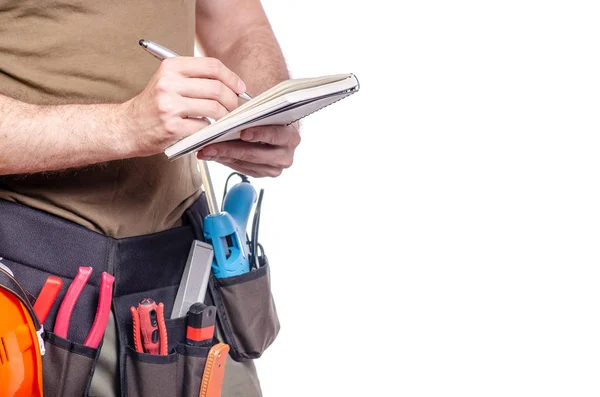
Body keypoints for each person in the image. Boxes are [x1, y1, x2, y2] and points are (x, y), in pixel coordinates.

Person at [0, 0, 300, 396]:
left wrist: (265, 110)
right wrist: (125, 126)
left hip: (187, 284)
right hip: (29, 300)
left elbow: (239, 24)